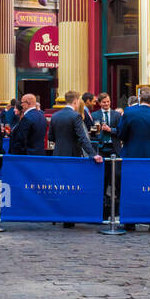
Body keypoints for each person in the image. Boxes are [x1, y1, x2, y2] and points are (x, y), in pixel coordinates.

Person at [50, 91, 103, 226]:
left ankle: (58, 214)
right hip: (72, 155)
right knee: (72, 186)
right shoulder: (75, 116)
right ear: (75, 101)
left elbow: (51, 137)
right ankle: (69, 218)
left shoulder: (55, 116)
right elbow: (83, 137)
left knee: (59, 185)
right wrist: (93, 154)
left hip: (57, 154)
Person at [117, 89, 150, 231]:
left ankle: (129, 221)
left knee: (130, 188)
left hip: (131, 156)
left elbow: (121, 134)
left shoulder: (129, 112)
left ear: (139, 98)